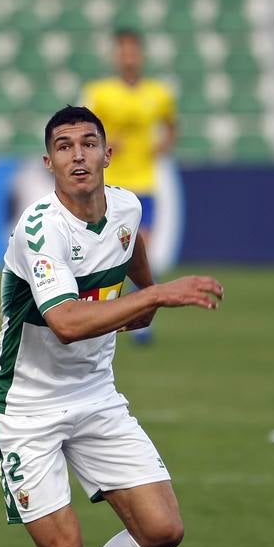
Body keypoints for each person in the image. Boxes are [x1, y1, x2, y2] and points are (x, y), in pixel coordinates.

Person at [0, 105, 222, 547]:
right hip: (26, 404)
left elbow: (131, 245)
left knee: (163, 530)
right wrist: (161, 296)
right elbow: (64, 323)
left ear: (107, 154)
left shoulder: (126, 206)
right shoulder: (38, 230)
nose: (78, 155)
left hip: (94, 395)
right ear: (49, 164)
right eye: (64, 146)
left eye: (89, 143)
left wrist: (147, 292)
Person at [82, 30, 177, 342]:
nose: (128, 57)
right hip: (108, 187)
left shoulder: (158, 93)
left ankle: (140, 321)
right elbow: (84, 130)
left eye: (133, 51)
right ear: (116, 56)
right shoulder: (100, 93)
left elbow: (171, 126)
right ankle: (98, 316)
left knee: (140, 251)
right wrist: (106, 141)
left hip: (144, 186)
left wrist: (161, 147)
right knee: (104, 256)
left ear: (141, 55)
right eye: (123, 52)